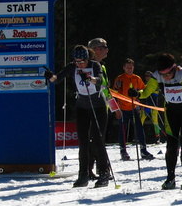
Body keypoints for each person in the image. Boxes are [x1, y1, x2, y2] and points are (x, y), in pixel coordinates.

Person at [44, 45, 111, 188]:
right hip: (82, 107)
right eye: (77, 62)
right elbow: (57, 79)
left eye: (82, 62)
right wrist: (50, 77)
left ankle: (104, 173)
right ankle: (83, 175)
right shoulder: (72, 66)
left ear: (87, 58)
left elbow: (100, 80)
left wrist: (90, 78)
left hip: (98, 107)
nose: (80, 64)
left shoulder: (95, 65)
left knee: (98, 140)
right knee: (83, 142)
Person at [139, 53, 182, 189]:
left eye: (168, 74)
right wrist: (138, 93)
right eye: (163, 74)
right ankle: (170, 178)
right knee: (171, 145)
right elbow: (146, 91)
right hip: (171, 111)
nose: (166, 77)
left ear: (174, 68)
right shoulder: (157, 75)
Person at [87, 37, 121, 178]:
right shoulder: (88, 66)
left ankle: (93, 168)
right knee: (95, 140)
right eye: (104, 47)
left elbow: (106, 90)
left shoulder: (102, 67)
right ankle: (97, 169)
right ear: (96, 50)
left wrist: (114, 107)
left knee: (98, 139)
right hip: (91, 107)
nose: (107, 50)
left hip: (103, 108)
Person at [112, 58, 154, 162]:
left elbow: (143, 90)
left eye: (131, 68)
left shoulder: (137, 78)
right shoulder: (120, 78)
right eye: (128, 68)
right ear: (124, 68)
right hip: (123, 108)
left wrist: (141, 102)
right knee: (123, 130)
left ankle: (143, 150)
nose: (130, 69)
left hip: (134, 107)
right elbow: (114, 93)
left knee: (139, 128)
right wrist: (116, 108)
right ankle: (123, 151)